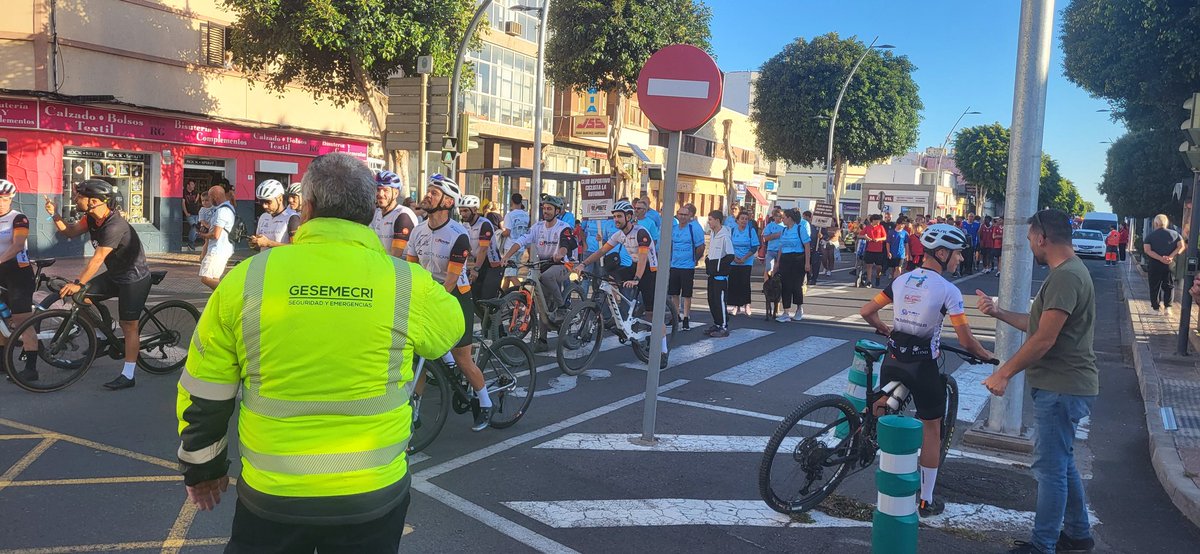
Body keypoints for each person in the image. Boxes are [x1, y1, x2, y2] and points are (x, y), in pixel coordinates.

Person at [176, 152, 461, 553]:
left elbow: (205, 389)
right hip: (371, 493)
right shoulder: (407, 284)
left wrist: (203, 467)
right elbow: (448, 333)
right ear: (368, 212)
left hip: (274, 493)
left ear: (306, 209)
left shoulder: (247, 279)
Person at [975, 209, 1098, 554]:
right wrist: (998, 312)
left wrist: (1004, 373)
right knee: (1062, 462)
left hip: (1062, 387)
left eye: (1030, 238)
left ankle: (1043, 545)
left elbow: (1044, 339)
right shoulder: (1069, 272)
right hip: (1066, 386)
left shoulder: (1065, 276)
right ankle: (1079, 534)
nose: (1029, 245)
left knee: (1050, 469)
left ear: (1043, 238)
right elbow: (1038, 324)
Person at [861, 223, 993, 518]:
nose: (960, 259)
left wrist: (883, 328)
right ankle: (926, 500)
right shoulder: (949, 291)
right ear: (942, 253)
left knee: (880, 408)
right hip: (922, 367)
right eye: (957, 253)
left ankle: (860, 442)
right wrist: (986, 355)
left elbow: (867, 312)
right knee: (932, 428)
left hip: (893, 359)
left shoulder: (901, 280)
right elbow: (966, 340)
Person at [43, 180, 150, 390]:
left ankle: (128, 374)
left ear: (93, 201)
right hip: (115, 274)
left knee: (129, 326)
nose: (75, 199)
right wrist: (54, 214)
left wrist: (78, 282)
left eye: (79, 196)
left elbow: (97, 259)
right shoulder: (91, 218)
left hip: (133, 278)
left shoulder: (114, 225)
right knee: (82, 297)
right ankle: (102, 335)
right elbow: (69, 232)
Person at [407, 173, 494, 431]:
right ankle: (414, 411)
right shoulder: (418, 231)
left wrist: (429, 303)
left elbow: (451, 281)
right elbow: (411, 270)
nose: (427, 195)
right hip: (428, 294)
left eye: (434, 193)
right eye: (429, 191)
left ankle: (485, 402)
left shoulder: (459, 234)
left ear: (447, 202)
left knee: (462, 358)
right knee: (418, 357)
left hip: (455, 296)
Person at [579, 200, 669, 367]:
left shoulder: (641, 232)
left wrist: (636, 279)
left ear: (628, 217)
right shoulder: (620, 234)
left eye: (619, 216)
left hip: (650, 271)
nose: (616, 219)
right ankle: (618, 318)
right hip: (635, 266)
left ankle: (663, 351)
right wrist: (583, 264)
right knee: (608, 278)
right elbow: (602, 251)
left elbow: (643, 258)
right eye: (614, 216)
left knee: (653, 315)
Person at [501, 195, 575, 350]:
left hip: (563, 264)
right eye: (544, 208)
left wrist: (560, 253)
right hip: (542, 264)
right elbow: (521, 241)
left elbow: (565, 245)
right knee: (542, 301)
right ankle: (542, 340)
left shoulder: (563, 227)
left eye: (549, 209)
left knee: (547, 276)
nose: (545, 211)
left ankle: (562, 308)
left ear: (557, 211)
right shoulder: (537, 227)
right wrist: (507, 256)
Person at [0, 180, 40, 382]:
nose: (1, 203)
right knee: (0, 318)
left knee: (21, 320)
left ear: (11, 198)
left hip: (18, 274)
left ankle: (31, 369)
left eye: (4, 199)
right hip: (1, 273)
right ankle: (3, 364)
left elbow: (17, 245)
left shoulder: (18, 218)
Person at [668, 203, 706, 331]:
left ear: (689, 216)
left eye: (685, 214)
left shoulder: (692, 228)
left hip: (687, 266)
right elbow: (671, 245)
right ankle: (676, 316)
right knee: (674, 293)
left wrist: (695, 260)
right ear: (677, 215)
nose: (683, 217)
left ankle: (686, 317)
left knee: (687, 294)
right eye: (680, 214)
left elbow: (701, 246)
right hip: (674, 265)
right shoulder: (674, 228)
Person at [460, 195, 501, 302]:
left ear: (474, 210)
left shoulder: (484, 224)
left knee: (486, 299)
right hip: (478, 261)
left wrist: (475, 269)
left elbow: (483, 249)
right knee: (473, 295)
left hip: (492, 264)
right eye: (461, 211)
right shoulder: (465, 225)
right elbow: (466, 247)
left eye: (465, 211)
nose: (463, 214)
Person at [369, 170, 418, 258]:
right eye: (378, 189)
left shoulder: (403, 215)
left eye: (386, 190)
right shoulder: (377, 213)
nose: (380, 194)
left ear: (395, 193)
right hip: (383, 262)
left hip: (399, 265)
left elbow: (395, 256)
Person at [1143, 214, 1184, 314]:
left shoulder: (1150, 236)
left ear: (1156, 223)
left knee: (1154, 286)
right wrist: (1171, 256)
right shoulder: (1175, 234)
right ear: (1166, 223)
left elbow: (1147, 250)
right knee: (1169, 285)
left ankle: (1156, 308)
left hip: (1154, 264)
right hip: (1169, 264)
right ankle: (1168, 307)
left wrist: (1160, 258)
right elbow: (1181, 246)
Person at [198, 183, 236, 290]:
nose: (209, 200)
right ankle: (220, 298)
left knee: (206, 278)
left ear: (215, 197)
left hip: (218, 249)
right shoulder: (227, 208)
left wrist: (203, 235)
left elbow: (215, 235)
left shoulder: (222, 211)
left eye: (210, 197)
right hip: (222, 248)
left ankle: (229, 294)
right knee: (214, 278)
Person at [776, 208, 811, 322]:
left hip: (798, 259)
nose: (782, 220)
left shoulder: (800, 229)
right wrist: (777, 262)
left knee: (796, 285)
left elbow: (807, 246)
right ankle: (786, 312)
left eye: (784, 218)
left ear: (790, 218)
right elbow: (781, 247)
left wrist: (807, 262)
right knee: (785, 285)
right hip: (785, 259)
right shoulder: (783, 230)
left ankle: (799, 308)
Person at [705, 210, 735, 338]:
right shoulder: (713, 233)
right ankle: (717, 323)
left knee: (720, 301)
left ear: (717, 220)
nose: (709, 222)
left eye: (710, 219)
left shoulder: (724, 236)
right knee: (712, 300)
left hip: (720, 275)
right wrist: (708, 261)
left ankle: (723, 326)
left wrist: (719, 267)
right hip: (712, 274)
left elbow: (730, 255)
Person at [248, 179, 300, 251]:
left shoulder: (292, 218)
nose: (264, 206)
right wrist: (255, 243)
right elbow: (261, 246)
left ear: (280, 199)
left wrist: (268, 243)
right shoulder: (263, 217)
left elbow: (295, 248)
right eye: (261, 202)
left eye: (268, 202)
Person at [728, 210, 759, 316]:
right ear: (737, 220)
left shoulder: (751, 230)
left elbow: (754, 247)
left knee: (745, 283)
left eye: (746, 219)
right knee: (734, 283)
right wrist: (734, 258)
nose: (744, 221)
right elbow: (728, 245)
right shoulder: (732, 231)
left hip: (746, 261)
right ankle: (736, 306)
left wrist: (744, 258)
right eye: (742, 218)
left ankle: (747, 305)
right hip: (734, 261)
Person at [500, 193, 530, 289]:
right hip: (520, 247)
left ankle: (524, 292)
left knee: (510, 275)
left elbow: (507, 232)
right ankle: (503, 295)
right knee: (508, 274)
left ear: (511, 201)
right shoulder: (526, 215)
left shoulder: (509, 215)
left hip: (510, 247)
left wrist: (500, 234)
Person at [862, 214, 888, 287]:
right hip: (869, 249)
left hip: (879, 249)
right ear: (873, 220)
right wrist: (865, 237)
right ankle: (869, 281)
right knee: (869, 265)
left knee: (879, 267)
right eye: (877, 220)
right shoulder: (868, 227)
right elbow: (859, 235)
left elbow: (885, 237)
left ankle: (878, 276)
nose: (879, 222)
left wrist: (878, 239)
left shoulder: (881, 227)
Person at [761, 208, 786, 277]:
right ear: (774, 217)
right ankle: (768, 281)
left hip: (781, 250)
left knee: (779, 269)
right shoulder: (770, 225)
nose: (780, 217)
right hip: (771, 250)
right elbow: (766, 238)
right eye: (778, 216)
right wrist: (776, 235)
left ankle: (776, 281)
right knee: (768, 268)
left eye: (781, 216)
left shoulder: (785, 226)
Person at [182, 179, 200, 250]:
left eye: (194, 185)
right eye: (192, 184)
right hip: (188, 214)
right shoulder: (184, 193)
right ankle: (191, 242)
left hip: (196, 213)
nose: (193, 186)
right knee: (194, 226)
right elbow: (183, 203)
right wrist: (186, 213)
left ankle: (192, 242)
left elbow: (196, 201)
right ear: (188, 185)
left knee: (197, 227)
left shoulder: (195, 193)